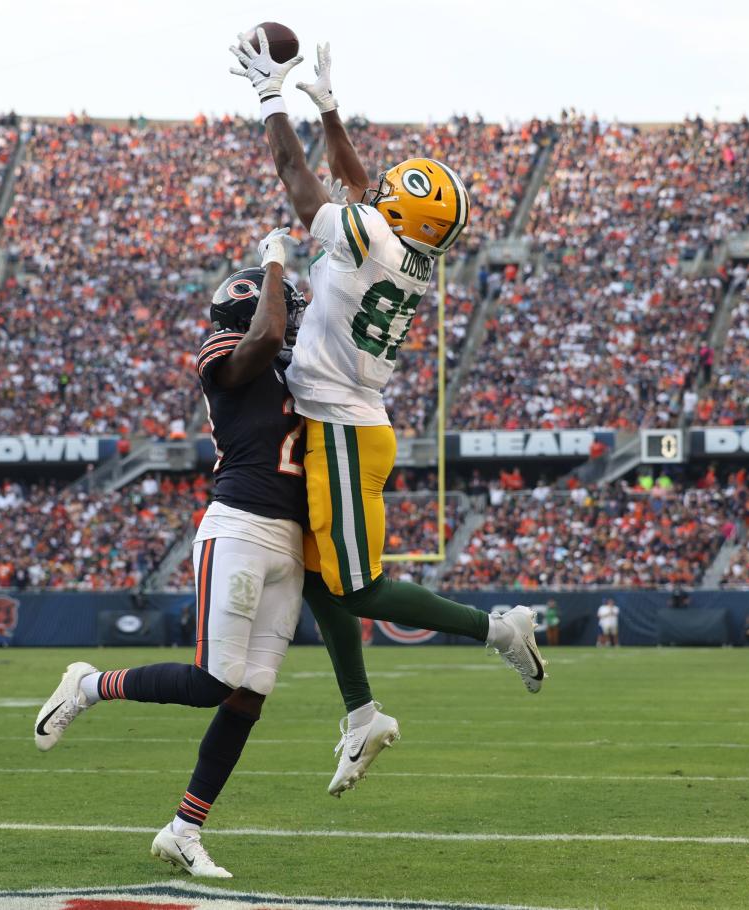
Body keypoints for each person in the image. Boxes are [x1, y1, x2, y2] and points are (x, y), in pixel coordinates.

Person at [230, 30, 548, 793]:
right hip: (345, 419)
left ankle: (498, 627)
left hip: (341, 427)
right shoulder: (406, 249)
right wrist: (333, 114)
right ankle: (360, 714)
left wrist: (271, 94)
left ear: (404, 212)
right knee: (317, 576)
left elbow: (295, 173)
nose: (383, 192)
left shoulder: (372, 238)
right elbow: (364, 195)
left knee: (358, 588)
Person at [35, 226, 307, 878]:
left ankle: (185, 828)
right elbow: (266, 335)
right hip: (240, 524)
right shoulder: (229, 350)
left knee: (251, 695)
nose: (291, 316)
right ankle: (90, 684)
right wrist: (275, 262)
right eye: (282, 304)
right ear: (247, 311)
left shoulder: (291, 362)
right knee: (214, 681)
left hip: (292, 540)